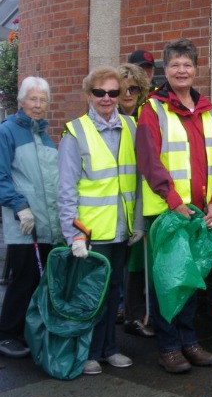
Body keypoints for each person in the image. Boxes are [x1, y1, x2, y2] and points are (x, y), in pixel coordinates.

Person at [136, 38, 212, 373]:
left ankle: (189, 342)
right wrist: (173, 202)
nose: (181, 70)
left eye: (187, 64)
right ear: (166, 70)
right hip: (167, 212)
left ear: (196, 68)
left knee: (190, 280)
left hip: (199, 212)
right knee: (169, 280)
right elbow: (149, 161)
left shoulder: (208, 109)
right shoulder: (153, 108)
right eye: (175, 65)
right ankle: (169, 347)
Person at [58, 67, 143, 375]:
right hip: (91, 234)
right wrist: (75, 235)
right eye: (99, 92)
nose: (106, 98)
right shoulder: (75, 132)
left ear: (121, 95)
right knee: (90, 296)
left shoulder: (131, 127)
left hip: (122, 231)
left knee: (112, 293)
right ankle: (89, 352)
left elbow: (137, 180)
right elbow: (66, 191)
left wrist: (138, 224)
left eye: (113, 93)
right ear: (89, 95)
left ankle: (109, 348)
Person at [0, 77, 62, 359]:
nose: (37, 105)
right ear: (22, 101)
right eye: (33, 99)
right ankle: (7, 334)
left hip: (48, 222)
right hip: (23, 222)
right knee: (23, 278)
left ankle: (27, 328)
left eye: (42, 100)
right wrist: (19, 206)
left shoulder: (46, 136)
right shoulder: (8, 132)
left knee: (40, 279)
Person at [116, 63, 154, 338]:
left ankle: (134, 315)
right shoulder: (105, 116)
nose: (128, 93)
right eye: (122, 88)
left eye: (134, 88)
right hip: (111, 204)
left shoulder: (146, 117)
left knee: (137, 264)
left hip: (142, 199)